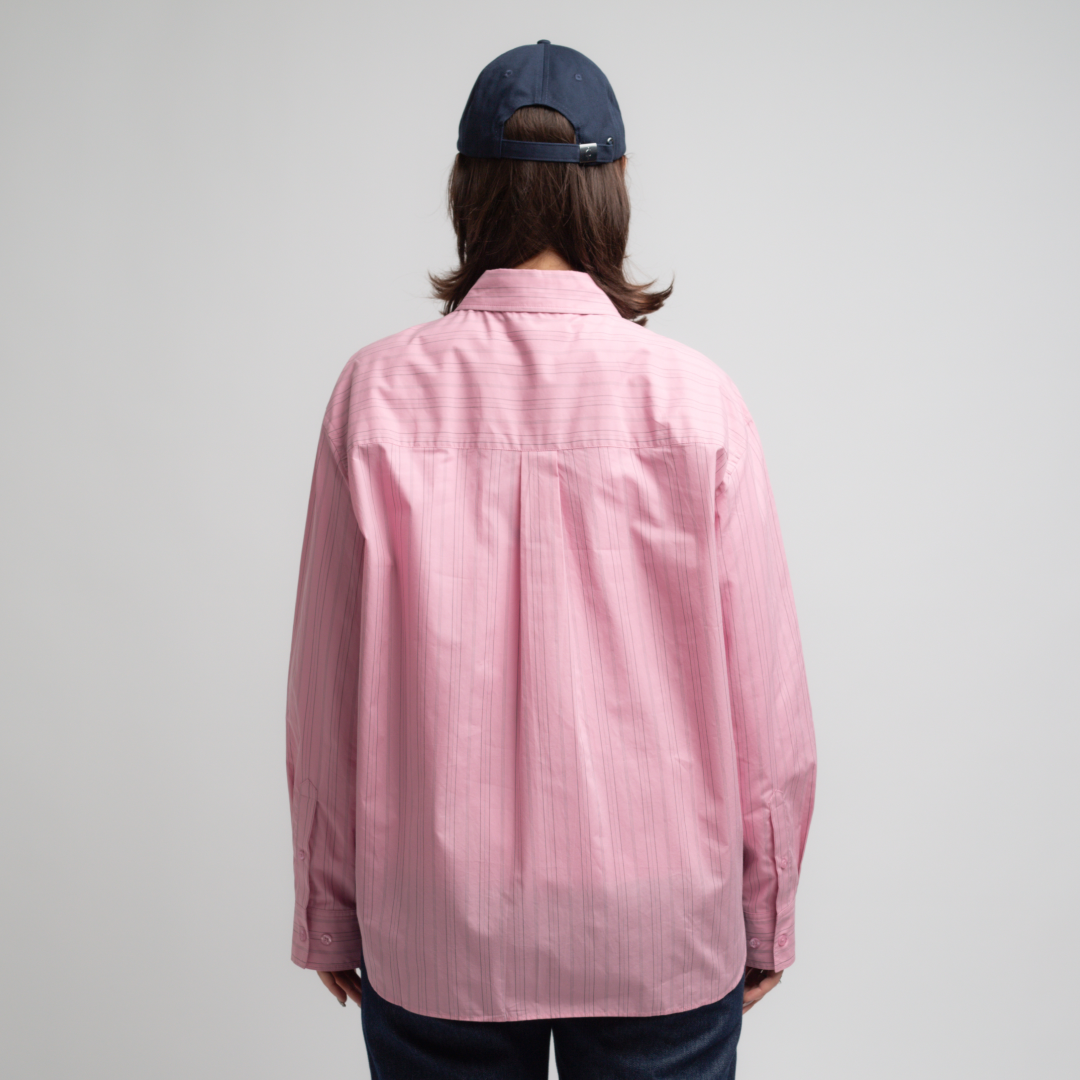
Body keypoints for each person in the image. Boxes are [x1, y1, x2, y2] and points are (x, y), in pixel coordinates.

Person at [285, 39, 817, 1079]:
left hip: (438, 918)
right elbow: (767, 700)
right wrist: (768, 909)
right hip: (660, 922)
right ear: (609, 196)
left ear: (467, 189)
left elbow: (326, 697)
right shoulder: (699, 402)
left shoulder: (374, 396)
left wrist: (329, 904)